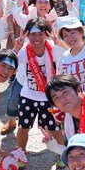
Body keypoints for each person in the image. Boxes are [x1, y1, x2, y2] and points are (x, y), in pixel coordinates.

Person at [15, 18, 63, 157]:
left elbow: (71, 53)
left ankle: (62, 155)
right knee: (23, 128)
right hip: (28, 95)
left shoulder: (54, 48)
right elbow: (11, 64)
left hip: (49, 97)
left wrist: (60, 43)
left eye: (40, 34)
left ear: (46, 35)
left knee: (55, 128)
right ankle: (21, 155)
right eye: (33, 34)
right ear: (27, 35)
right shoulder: (23, 50)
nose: (37, 38)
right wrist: (16, 48)